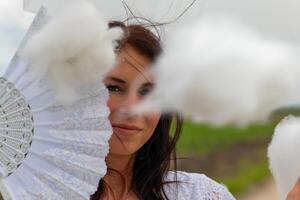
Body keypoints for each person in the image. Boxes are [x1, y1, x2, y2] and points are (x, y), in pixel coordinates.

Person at [91, 21, 235, 200]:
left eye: (148, 92)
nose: (132, 109)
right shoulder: (49, 191)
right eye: (113, 88)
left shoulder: (197, 195)